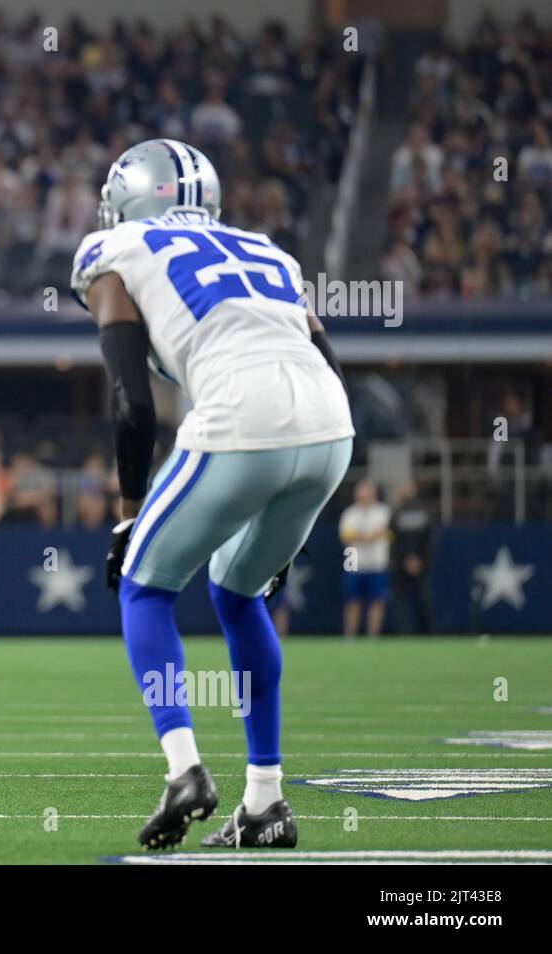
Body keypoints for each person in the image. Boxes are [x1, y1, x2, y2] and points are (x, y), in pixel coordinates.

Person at [70, 138, 353, 850]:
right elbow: (325, 355)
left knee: (145, 585)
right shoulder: (267, 250)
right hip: (329, 424)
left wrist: (128, 515)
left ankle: (184, 770)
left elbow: (132, 401)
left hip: (240, 410)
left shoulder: (117, 249)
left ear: (126, 199)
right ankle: (266, 803)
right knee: (237, 592)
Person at [339, 479, 392, 638]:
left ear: (373, 494)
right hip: (354, 561)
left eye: (367, 493)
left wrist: (364, 536)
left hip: (377, 562)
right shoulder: (350, 513)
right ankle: (350, 635)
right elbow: (345, 536)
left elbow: (384, 532)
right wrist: (368, 536)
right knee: (352, 600)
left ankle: (373, 635)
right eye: (361, 493)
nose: (363, 496)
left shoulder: (384, 511)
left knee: (377, 601)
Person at [390, 480, 434, 634]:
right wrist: (405, 560)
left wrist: (420, 560)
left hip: (418, 565)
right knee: (403, 603)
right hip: (403, 564)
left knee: (422, 601)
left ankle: (425, 632)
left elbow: (429, 539)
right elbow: (393, 540)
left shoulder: (423, 510)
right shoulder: (396, 512)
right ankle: (405, 633)